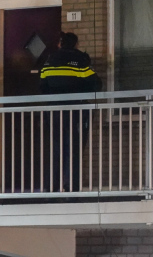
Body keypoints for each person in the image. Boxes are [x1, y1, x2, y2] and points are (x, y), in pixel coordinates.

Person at [40, 32, 102, 192]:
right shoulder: (80, 60)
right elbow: (96, 84)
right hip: (76, 112)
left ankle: (51, 188)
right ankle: (71, 188)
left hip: (54, 112)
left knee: (55, 149)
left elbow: (42, 85)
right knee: (74, 150)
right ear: (75, 44)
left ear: (60, 43)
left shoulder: (50, 59)